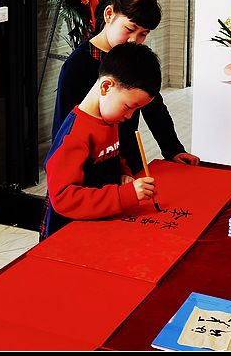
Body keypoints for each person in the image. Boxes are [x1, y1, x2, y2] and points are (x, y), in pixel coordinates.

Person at [52, 0, 199, 175]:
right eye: (130, 29)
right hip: (92, 166)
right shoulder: (78, 65)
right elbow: (64, 128)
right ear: (109, 14)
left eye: (143, 34)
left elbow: (154, 108)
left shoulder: (135, 57)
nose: (134, 40)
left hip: (128, 156)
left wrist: (173, 150)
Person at [39, 42, 161, 240]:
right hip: (69, 234)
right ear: (106, 87)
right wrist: (125, 196)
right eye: (129, 106)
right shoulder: (74, 135)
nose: (129, 116)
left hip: (100, 223)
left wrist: (123, 173)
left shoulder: (110, 118)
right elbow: (63, 198)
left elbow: (112, 154)